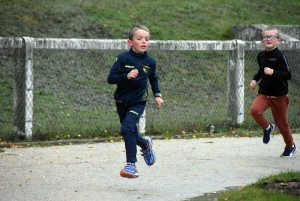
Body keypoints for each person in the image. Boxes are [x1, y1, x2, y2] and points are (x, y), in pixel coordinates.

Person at [107, 25, 164, 178]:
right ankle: (146, 145)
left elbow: (153, 78)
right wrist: (126, 76)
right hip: (121, 100)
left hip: (138, 101)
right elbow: (111, 78)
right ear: (130, 42)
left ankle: (131, 165)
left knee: (126, 128)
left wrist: (157, 94)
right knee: (131, 131)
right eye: (139, 39)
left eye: (147, 39)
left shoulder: (150, 62)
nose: (144, 41)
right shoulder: (123, 58)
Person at [250, 26, 296, 157]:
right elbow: (260, 70)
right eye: (265, 37)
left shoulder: (280, 56)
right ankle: (267, 127)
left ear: (278, 41)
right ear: (262, 41)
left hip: (279, 96)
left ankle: (290, 145)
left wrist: (273, 72)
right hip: (264, 93)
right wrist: (255, 80)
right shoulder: (260, 56)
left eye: (272, 37)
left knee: (282, 125)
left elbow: (287, 75)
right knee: (255, 111)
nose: (268, 39)